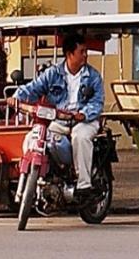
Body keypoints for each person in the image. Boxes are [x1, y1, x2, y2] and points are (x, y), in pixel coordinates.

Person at [14, 34, 105, 197]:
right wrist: (16, 97)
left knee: (80, 136)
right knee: (33, 137)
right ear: (70, 54)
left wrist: (83, 114)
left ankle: (84, 183)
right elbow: (33, 88)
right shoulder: (53, 73)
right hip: (59, 120)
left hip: (85, 121)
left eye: (85, 51)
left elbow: (97, 102)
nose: (85, 55)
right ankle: (44, 177)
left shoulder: (93, 76)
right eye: (81, 51)